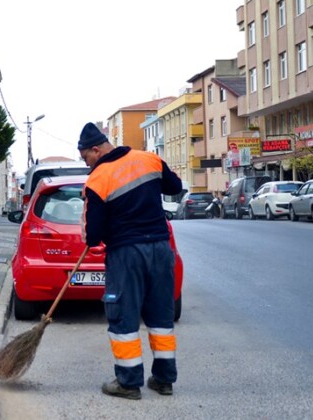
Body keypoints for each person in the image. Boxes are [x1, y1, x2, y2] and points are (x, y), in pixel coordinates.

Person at [77, 122, 183, 400]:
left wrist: (92, 234)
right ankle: (163, 379)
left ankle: (128, 382)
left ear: (96, 150)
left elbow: (93, 234)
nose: (86, 163)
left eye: (85, 156)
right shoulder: (149, 158)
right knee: (161, 315)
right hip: (160, 248)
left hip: (127, 253)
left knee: (123, 315)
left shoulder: (98, 179)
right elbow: (175, 185)